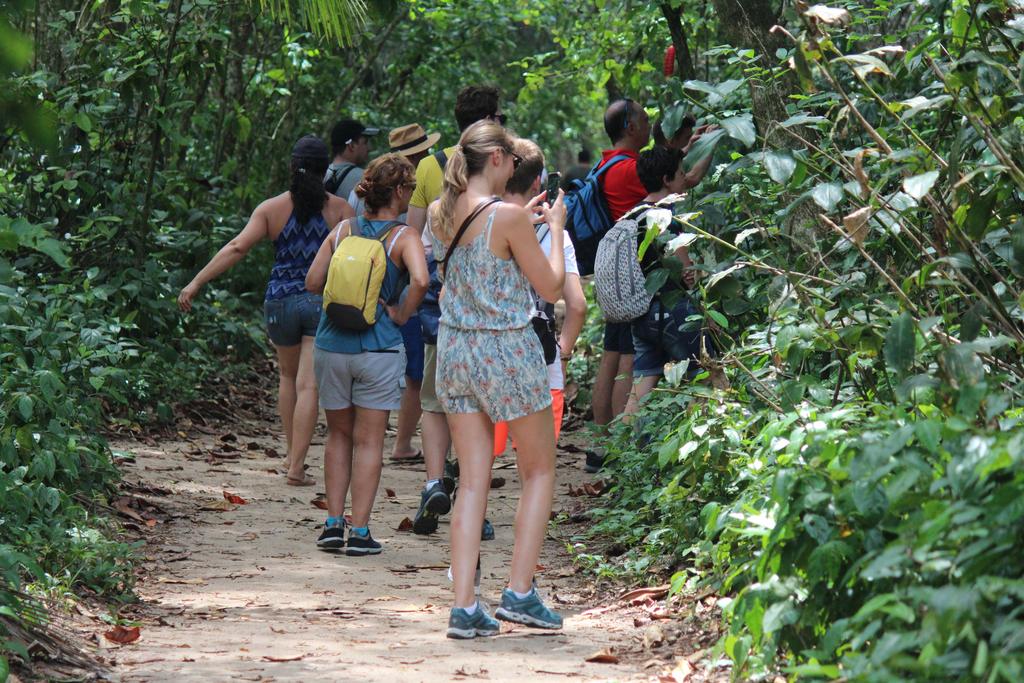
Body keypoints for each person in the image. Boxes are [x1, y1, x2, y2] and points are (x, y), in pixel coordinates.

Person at [429, 120, 566, 639]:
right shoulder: (509, 217)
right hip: (505, 351)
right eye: (511, 155)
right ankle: (520, 592)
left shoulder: (447, 212)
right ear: (499, 161)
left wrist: (523, 225)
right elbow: (550, 286)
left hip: (457, 352)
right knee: (539, 471)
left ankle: (464, 606)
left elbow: (481, 257)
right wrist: (553, 228)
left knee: (471, 483)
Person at [178, 135, 354, 487]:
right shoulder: (340, 211)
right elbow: (351, 261)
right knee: (309, 386)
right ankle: (296, 467)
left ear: (291, 167)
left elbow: (237, 246)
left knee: (287, 379)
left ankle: (291, 456)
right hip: (319, 302)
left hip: (279, 303)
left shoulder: (271, 208)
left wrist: (196, 282)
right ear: (326, 171)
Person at [305, 154, 428, 555]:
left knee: (338, 435)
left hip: (331, 345)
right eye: (409, 189)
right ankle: (359, 533)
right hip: (378, 349)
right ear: (397, 192)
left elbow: (312, 282)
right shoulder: (403, 236)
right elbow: (422, 280)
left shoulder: (342, 230)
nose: (410, 196)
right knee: (370, 441)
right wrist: (402, 311)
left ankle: (332, 524)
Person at [405, 85, 507, 537]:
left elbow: (411, 239)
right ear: (493, 119)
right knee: (478, 406)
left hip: (440, 306)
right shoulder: (500, 164)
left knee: (433, 400)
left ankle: (432, 481)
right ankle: (474, 501)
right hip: (486, 310)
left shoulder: (428, 166)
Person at [493, 138, 586, 458]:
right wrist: (563, 351)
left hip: (488, 354)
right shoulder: (554, 232)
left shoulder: (482, 221)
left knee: (480, 456)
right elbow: (577, 305)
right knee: (536, 464)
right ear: (537, 182)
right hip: (538, 354)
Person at [588, 98, 651, 472]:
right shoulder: (629, 169)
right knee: (627, 359)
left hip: (611, 271)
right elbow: (677, 180)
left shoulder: (604, 163)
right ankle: (617, 446)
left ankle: (598, 444)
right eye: (643, 119)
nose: (647, 124)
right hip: (632, 276)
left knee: (611, 355)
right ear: (630, 127)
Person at [623, 145, 709, 415]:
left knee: (641, 388)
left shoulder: (633, 213)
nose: (685, 179)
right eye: (680, 174)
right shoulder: (665, 217)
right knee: (704, 375)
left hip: (642, 313)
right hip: (672, 310)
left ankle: (621, 453)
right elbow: (685, 272)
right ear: (666, 179)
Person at [384, 124, 443, 465]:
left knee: (409, 367)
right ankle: (403, 442)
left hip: (390, 285)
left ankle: (400, 441)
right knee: (417, 371)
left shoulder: (374, 187)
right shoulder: (413, 186)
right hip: (415, 284)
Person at [324, 118, 380, 204]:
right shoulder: (365, 180)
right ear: (351, 146)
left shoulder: (321, 175)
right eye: (365, 143)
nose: (369, 148)